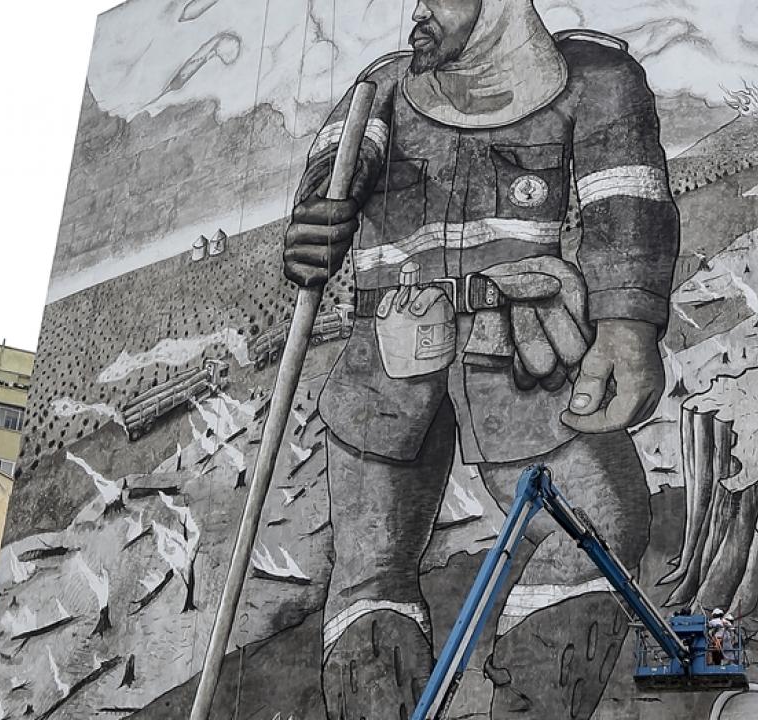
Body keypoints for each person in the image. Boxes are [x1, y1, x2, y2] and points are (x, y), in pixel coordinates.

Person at [282, 0, 680, 716]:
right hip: (388, 361)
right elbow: (328, 184)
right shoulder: (378, 91)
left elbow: (626, 204)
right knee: (370, 570)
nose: (419, 11)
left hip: (519, 353)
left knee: (603, 522)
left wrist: (627, 327)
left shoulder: (593, 79)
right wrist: (316, 225)